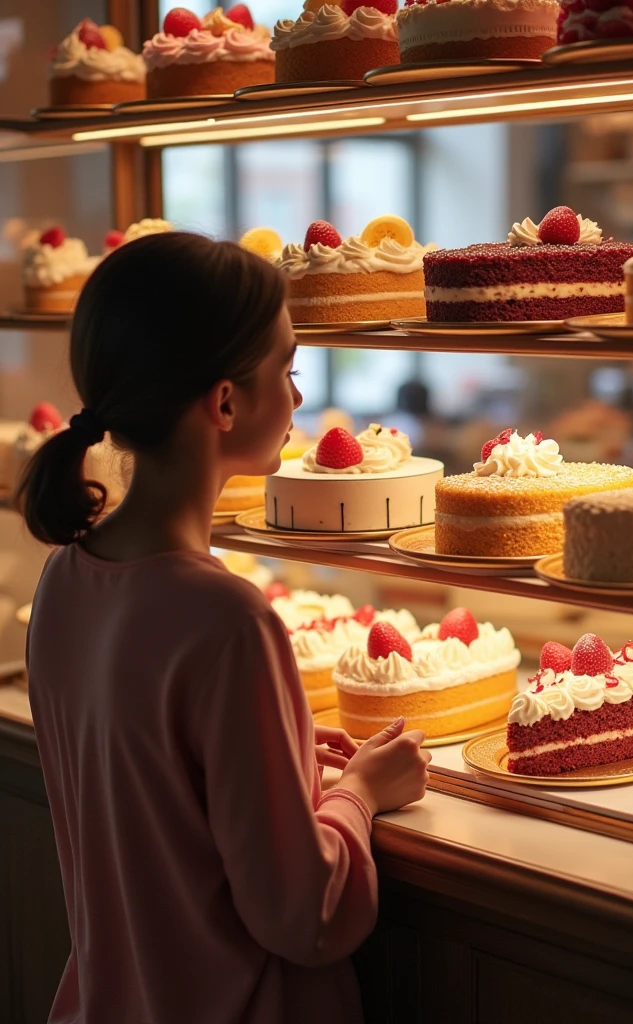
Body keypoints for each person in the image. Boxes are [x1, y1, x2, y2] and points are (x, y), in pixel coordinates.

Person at [17, 233, 430, 1024]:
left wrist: (275, 764)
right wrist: (358, 793)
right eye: (289, 371)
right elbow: (303, 914)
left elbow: (151, 797)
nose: (300, 400)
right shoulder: (230, 620)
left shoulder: (64, 579)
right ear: (226, 403)